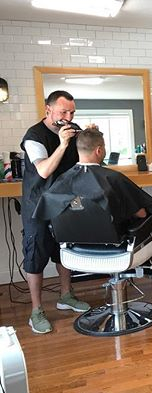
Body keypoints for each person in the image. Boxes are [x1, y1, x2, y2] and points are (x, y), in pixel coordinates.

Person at [20, 90, 89, 334]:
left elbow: (86, 158)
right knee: (35, 256)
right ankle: (36, 311)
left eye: (72, 112)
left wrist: (90, 137)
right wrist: (62, 144)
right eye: (63, 112)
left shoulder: (72, 129)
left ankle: (66, 296)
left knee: (65, 251)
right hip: (38, 206)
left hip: (65, 202)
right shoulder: (34, 136)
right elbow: (43, 170)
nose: (68, 117)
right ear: (48, 109)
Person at [34, 128, 152, 241]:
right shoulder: (113, 179)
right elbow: (141, 213)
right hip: (115, 244)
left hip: (74, 246)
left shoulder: (63, 180)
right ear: (99, 150)